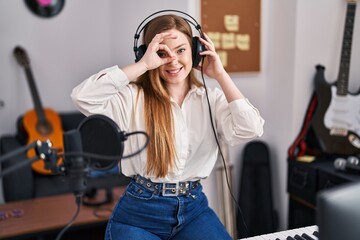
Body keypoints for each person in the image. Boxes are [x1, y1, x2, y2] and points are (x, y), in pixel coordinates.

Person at [71, 12, 264, 240]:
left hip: (194, 209)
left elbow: (251, 128)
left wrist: (220, 75)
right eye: (162, 53)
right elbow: (82, 97)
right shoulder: (132, 97)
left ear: (195, 50)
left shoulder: (211, 99)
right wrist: (143, 65)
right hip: (138, 214)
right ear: (148, 54)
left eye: (181, 50)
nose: (172, 60)